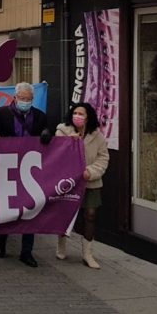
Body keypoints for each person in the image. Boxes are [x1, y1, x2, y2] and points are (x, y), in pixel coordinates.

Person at [0, 82, 50, 268]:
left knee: (31, 208)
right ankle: (2, 240)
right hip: (7, 166)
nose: (24, 102)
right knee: (9, 206)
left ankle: (27, 251)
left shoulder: (40, 116)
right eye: (22, 98)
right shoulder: (1, 113)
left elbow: (48, 134)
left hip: (30, 169)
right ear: (15, 98)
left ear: (32, 100)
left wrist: (47, 134)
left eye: (28, 99)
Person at [55, 102, 109, 269]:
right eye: (75, 113)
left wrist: (91, 172)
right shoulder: (63, 130)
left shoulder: (97, 135)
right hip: (69, 182)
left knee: (90, 214)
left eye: (81, 114)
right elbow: (56, 153)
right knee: (67, 214)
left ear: (88, 117)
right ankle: (61, 243)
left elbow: (103, 157)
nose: (77, 116)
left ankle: (87, 253)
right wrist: (68, 142)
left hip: (90, 181)